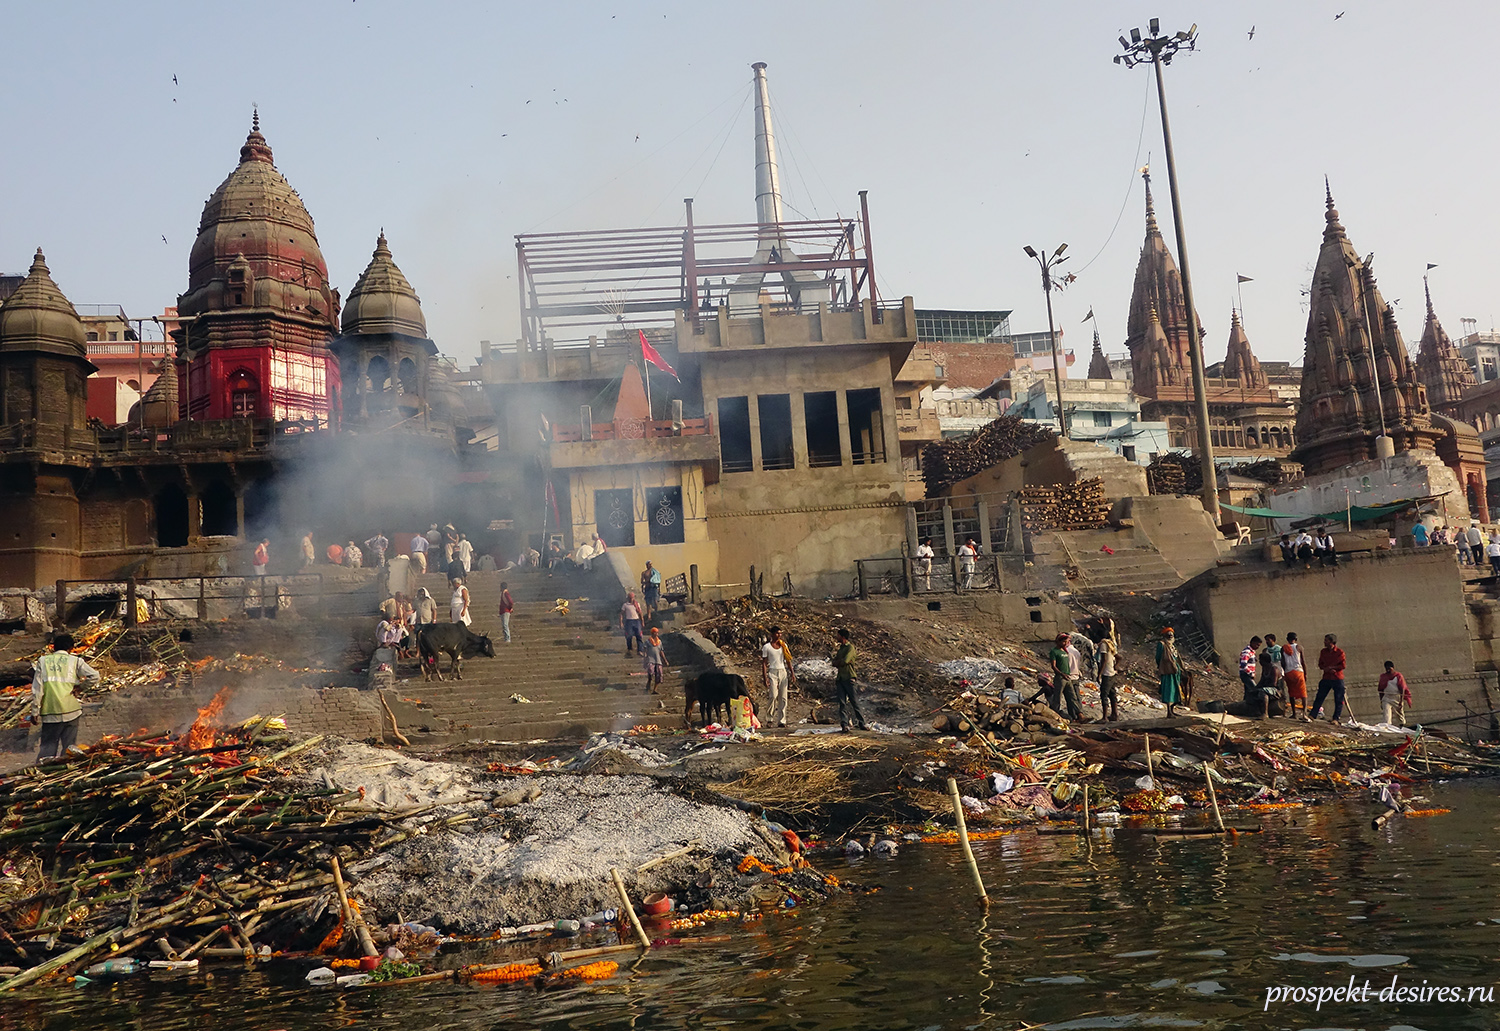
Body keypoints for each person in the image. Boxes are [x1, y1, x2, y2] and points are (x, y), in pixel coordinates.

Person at [27, 634, 99, 760]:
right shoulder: (76, 661)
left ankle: (45, 774)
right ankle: (64, 773)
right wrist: (80, 687)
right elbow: (95, 676)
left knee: (48, 750)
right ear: (71, 648)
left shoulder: (43, 661)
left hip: (50, 713)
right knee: (69, 750)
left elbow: (37, 689)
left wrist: (35, 711)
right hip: (71, 712)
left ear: (53, 648)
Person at [831, 628, 867, 732]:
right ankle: (844, 724)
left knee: (854, 701)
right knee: (842, 703)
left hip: (849, 677)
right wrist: (840, 662)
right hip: (841, 678)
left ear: (842, 637)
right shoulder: (841, 649)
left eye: (838, 635)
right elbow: (836, 662)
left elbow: (845, 660)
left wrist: (839, 662)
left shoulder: (850, 648)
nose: (836, 637)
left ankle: (862, 723)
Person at [760, 626, 795, 728]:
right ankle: (769, 719)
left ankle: (782, 720)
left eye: (780, 633)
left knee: (783, 697)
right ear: (772, 634)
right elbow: (764, 663)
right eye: (777, 633)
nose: (779, 635)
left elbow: (788, 660)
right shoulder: (767, 647)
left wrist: (792, 673)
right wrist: (765, 678)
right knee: (773, 695)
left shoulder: (783, 645)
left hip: (782, 671)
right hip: (772, 672)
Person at [1312, 633, 1347, 722]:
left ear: (1332, 642)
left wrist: (1332, 668)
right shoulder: (1323, 652)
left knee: (1338, 699)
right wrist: (1326, 669)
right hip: (1327, 677)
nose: (1324, 642)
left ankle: (1336, 718)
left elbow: (1342, 665)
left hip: (1337, 678)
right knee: (1319, 697)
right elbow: (1320, 664)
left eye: (1326, 640)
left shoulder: (1339, 652)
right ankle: (1313, 715)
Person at [1156, 627, 1185, 718]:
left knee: (1176, 691)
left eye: (1171, 634)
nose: (1170, 636)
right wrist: (1163, 667)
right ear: (1164, 635)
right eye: (1168, 634)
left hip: (1175, 671)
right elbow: (1158, 658)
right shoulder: (1162, 644)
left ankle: (1172, 710)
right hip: (1167, 671)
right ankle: (1169, 712)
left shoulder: (1172, 646)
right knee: (1168, 691)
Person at [1281, 631, 1308, 719]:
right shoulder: (1299, 647)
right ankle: (1304, 714)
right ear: (1296, 639)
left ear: (1287, 639)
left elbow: (1283, 663)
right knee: (1303, 694)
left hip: (1288, 672)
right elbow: (1303, 661)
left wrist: (1284, 672)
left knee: (1291, 693)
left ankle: (1294, 714)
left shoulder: (1283, 648)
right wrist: (1305, 674)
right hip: (1298, 672)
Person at [1377, 660, 1411, 726]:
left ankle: (1402, 726)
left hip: (1397, 698)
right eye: (1386, 669)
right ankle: (1387, 728)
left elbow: (1402, 688)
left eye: (1389, 669)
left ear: (1393, 668)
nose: (1388, 670)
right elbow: (1380, 689)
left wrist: (1401, 701)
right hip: (1386, 698)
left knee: (1400, 715)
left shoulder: (1398, 676)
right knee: (1386, 715)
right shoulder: (1383, 677)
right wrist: (1381, 700)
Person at [1257, 635, 1283, 718]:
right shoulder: (1265, 669)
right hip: (1269, 687)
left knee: (1263, 692)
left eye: (1268, 640)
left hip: (1276, 690)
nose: (1267, 642)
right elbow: (1261, 680)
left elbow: (1274, 684)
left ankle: (1265, 713)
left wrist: (1263, 688)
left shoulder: (1274, 669)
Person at [1096, 633, 1119, 722]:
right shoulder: (1110, 644)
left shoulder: (1103, 645)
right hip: (1112, 673)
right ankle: (1115, 714)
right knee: (1112, 693)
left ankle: (1105, 717)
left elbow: (1104, 659)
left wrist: (1099, 674)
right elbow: (1119, 657)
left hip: (1107, 674)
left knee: (1104, 694)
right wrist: (1115, 666)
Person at [642, 626, 668, 694]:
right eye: (655, 633)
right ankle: (649, 683)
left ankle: (655, 690)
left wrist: (665, 660)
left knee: (659, 676)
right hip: (650, 659)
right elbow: (645, 651)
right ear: (652, 633)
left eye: (657, 633)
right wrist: (645, 659)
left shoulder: (659, 642)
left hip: (658, 660)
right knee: (650, 673)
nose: (657, 634)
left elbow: (661, 651)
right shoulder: (647, 642)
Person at [620, 591, 644, 656]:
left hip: (636, 621)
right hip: (629, 621)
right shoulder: (625, 605)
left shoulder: (637, 604)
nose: (631, 599)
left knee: (639, 635)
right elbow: (621, 614)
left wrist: (642, 622)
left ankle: (640, 650)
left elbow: (640, 613)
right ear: (628, 598)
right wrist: (621, 622)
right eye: (630, 598)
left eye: (632, 597)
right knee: (629, 636)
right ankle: (630, 649)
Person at [1239, 636, 1262, 704]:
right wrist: (1251, 673)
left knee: (1248, 691)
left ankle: (1245, 704)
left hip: (1248, 674)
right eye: (1257, 645)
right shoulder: (1247, 652)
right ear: (1252, 642)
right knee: (1254, 690)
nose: (1258, 647)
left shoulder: (1252, 652)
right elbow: (1243, 665)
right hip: (1246, 674)